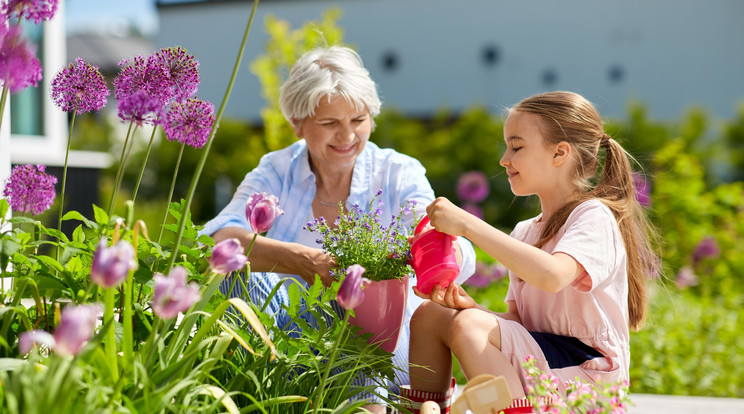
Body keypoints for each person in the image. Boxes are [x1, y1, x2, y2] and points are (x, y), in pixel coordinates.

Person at [200, 45, 475, 409]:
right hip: (288, 343)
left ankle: (366, 405)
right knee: (235, 271)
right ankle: (262, 394)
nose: (347, 136)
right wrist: (304, 261)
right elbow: (216, 242)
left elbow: (438, 237)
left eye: (358, 120)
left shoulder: (397, 171)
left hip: (379, 343)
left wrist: (433, 255)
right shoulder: (277, 169)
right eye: (330, 123)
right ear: (297, 124)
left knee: (353, 303)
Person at [401, 91, 658, 413]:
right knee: (431, 315)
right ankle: (427, 408)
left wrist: (468, 225)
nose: (504, 159)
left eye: (517, 146)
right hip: (546, 361)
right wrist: (475, 308)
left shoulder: (594, 216)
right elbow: (521, 323)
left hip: (590, 374)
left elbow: (552, 275)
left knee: (468, 326)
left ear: (559, 153)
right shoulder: (526, 230)